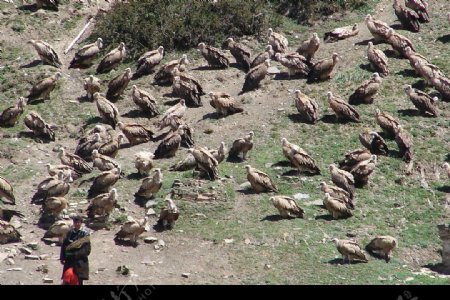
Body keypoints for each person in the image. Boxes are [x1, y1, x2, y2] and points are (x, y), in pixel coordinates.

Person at [60, 215, 91, 285]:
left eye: (79, 222)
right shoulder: (69, 233)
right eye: (75, 222)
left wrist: (76, 254)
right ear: (73, 223)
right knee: (67, 278)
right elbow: (64, 245)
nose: (77, 224)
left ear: (81, 223)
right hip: (69, 260)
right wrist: (62, 257)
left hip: (80, 261)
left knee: (79, 280)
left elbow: (87, 249)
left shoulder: (85, 234)